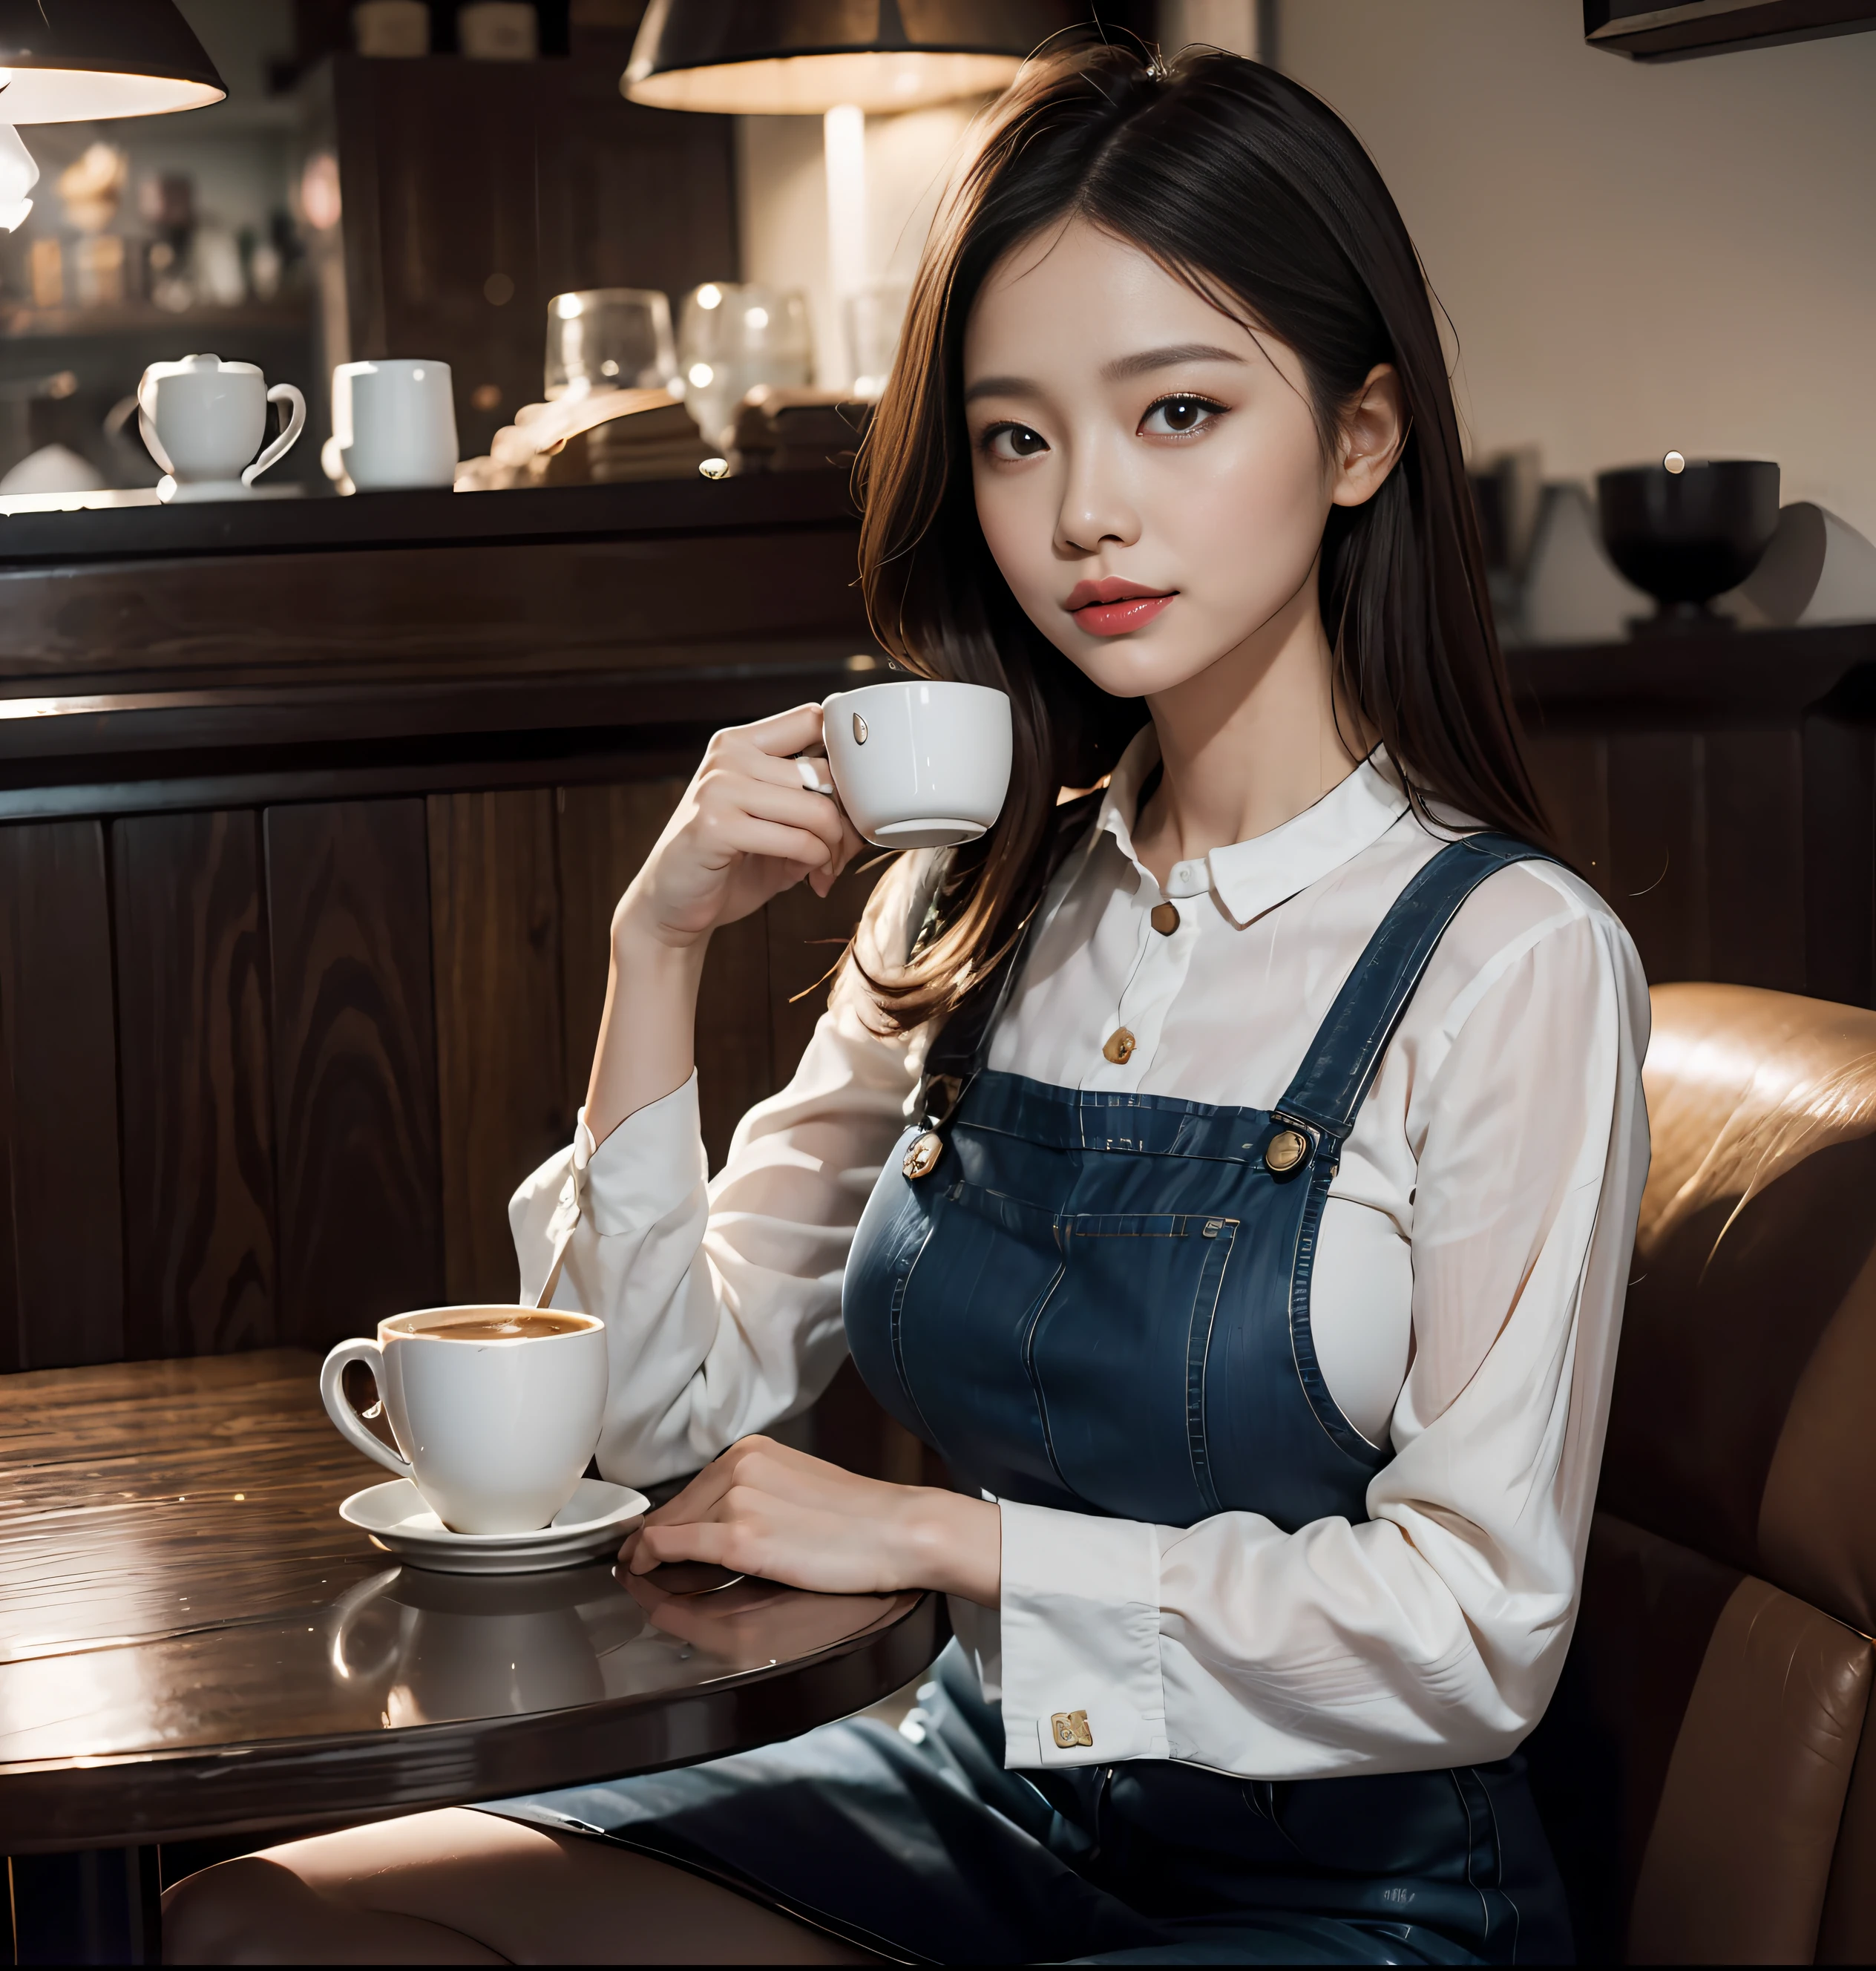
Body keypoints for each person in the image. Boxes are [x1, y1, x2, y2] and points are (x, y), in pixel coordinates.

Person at [165, 41, 1647, 1967]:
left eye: (1178, 411)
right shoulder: (976, 893)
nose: (1085, 514)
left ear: (1361, 438)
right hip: (978, 1790)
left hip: (1358, 1899)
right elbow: (656, 1406)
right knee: (272, 1927)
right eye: (1017, 437)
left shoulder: (1513, 957)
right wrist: (656, 945)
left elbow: (1473, 1636)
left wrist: (938, 1540)